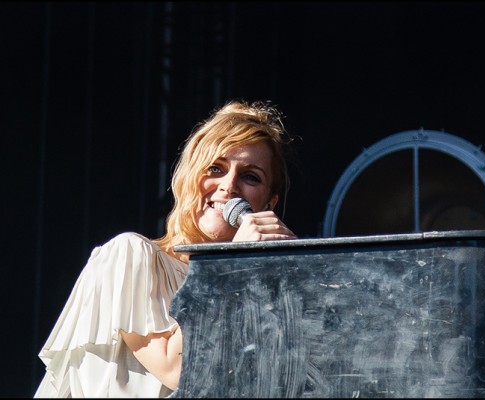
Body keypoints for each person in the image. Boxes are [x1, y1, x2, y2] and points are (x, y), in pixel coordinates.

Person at [34, 99, 298, 398]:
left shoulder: (254, 296)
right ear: (189, 176)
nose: (229, 186)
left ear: (269, 204)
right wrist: (233, 265)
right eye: (215, 168)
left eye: (251, 177)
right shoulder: (129, 255)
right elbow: (177, 370)